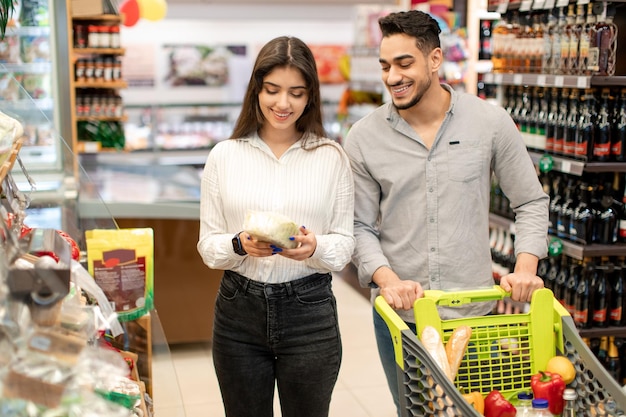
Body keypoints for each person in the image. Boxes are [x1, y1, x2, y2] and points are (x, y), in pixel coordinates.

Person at [342, 10, 549, 416]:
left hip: (474, 314)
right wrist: (387, 279)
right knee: (415, 412)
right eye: (385, 66)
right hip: (402, 320)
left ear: (434, 60)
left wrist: (525, 267)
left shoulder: (489, 122)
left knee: (475, 411)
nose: (392, 77)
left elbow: (529, 201)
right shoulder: (364, 137)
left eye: (404, 64)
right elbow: (358, 225)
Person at [197, 36, 355, 417]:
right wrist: (238, 245)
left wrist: (315, 247)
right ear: (256, 89)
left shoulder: (331, 157)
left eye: (296, 93)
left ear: (310, 96)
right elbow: (207, 245)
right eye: (272, 90)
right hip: (239, 312)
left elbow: (345, 243)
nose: (283, 104)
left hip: (310, 314)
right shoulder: (224, 156)